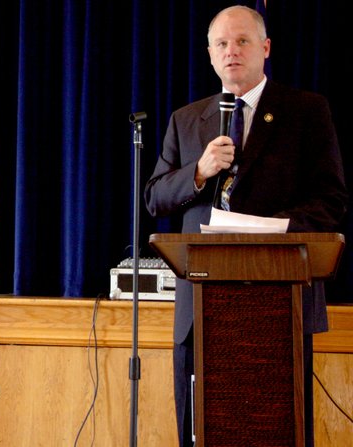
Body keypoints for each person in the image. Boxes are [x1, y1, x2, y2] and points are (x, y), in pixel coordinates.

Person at [144, 5, 347, 447]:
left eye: (242, 41)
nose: (231, 51)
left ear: (265, 48)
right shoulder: (186, 119)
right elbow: (155, 198)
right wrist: (199, 170)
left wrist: (266, 229)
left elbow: (331, 202)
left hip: (280, 299)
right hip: (201, 304)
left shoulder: (307, 111)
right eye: (221, 44)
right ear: (210, 55)